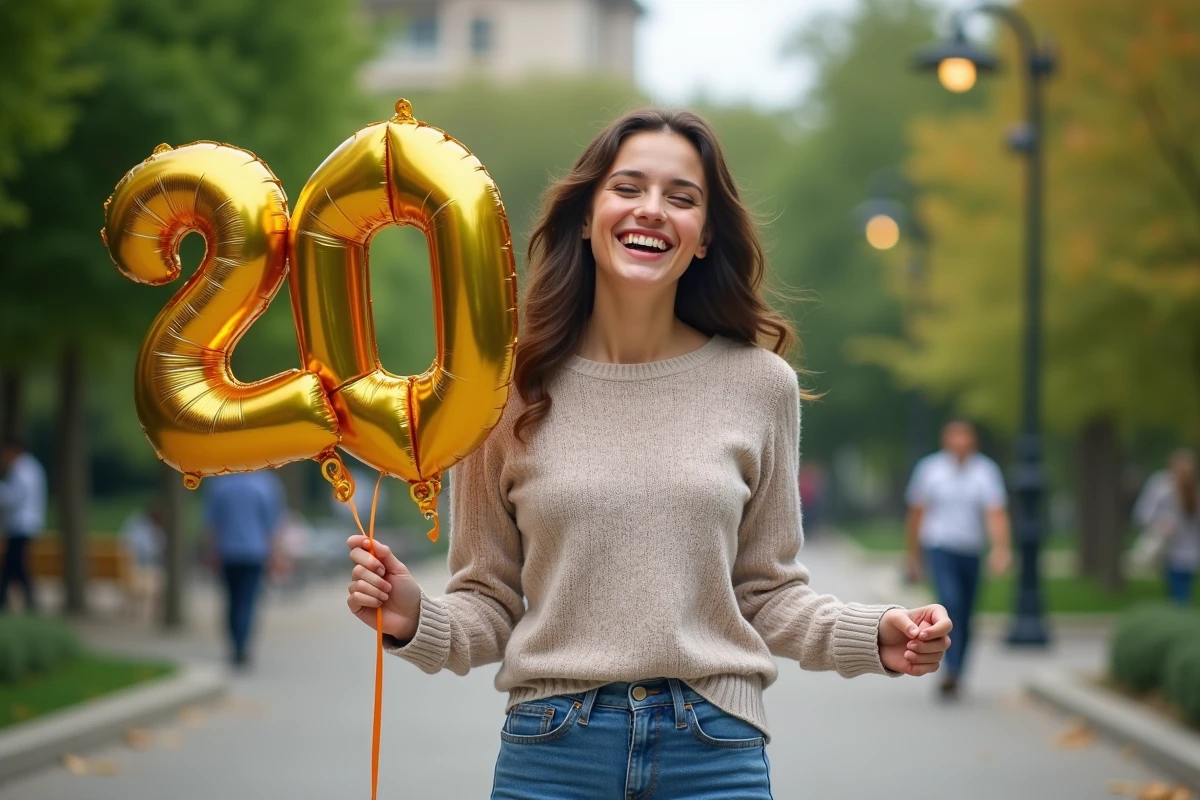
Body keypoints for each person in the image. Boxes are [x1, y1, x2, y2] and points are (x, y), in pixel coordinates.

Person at [346, 108, 953, 798]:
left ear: (703, 238)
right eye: (628, 187)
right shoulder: (501, 390)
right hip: (551, 752)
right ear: (585, 216)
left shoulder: (759, 385)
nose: (653, 210)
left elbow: (769, 592)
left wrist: (877, 635)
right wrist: (411, 616)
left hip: (715, 752)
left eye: (682, 197)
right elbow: (488, 602)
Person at [905, 419, 1011, 700]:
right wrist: (913, 556)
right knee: (949, 603)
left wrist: (1001, 548)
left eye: (965, 439)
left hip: (971, 550)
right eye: (955, 439)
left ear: (972, 442)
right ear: (947, 441)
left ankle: (958, 671)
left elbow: (995, 512)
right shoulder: (930, 470)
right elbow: (917, 514)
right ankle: (950, 670)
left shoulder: (985, 472)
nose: (961, 445)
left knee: (967, 612)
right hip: (939, 547)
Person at [203, 470, 286, 668]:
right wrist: (276, 555)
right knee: (247, 601)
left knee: (231, 600)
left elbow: (211, 524)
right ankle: (242, 645)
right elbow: (272, 525)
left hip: (227, 551)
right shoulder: (266, 484)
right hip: (254, 552)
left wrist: (210, 552)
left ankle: (235, 643)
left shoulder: (219, 484)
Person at [1137, 450, 1200, 605]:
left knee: (1183, 588)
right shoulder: (1161, 486)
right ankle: (1178, 618)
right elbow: (1143, 513)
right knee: (1177, 590)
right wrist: (1162, 523)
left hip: (1190, 548)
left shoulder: (1194, 489)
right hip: (1169, 547)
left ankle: (1179, 618)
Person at [0, 437, 47, 614]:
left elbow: (13, 498)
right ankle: (18, 601)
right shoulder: (32, 468)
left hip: (20, 525)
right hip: (27, 524)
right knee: (13, 565)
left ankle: (26, 602)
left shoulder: (21, 470)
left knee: (15, 566)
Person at [119, 501, 166, 620]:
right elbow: (151, 550)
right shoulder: (144, 527)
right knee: (154, 578)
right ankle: (154, 611)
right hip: (141, 566)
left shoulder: (135, 524)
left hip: (132, 565)